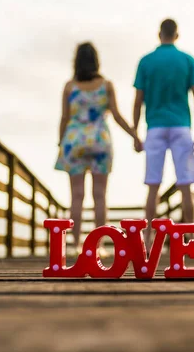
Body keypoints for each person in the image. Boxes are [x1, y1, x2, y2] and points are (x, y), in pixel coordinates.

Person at [55, 42, 141, 256]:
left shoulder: (69, 86)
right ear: (96, 61)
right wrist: (134, 135)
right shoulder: (106, 85)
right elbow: (117, 115)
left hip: (74, 141)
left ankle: (74, 245)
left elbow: (64, 118)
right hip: (100, 141)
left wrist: (60, 142)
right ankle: (99, 246)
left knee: (76, 196)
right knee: (100, 196)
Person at [132, 19, 194, 247]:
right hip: (181, 126)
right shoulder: (187, 60)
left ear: (158, 34)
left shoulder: (146, 61)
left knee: (153, 185)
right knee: (186, 184)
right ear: (177, 35)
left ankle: (148, 239)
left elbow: (138, 102)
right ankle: (192, 237)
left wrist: (135, 132)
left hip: (154, 127)